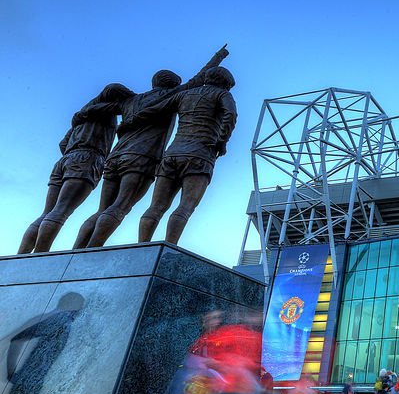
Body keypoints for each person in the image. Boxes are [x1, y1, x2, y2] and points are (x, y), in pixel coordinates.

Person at [74, 46, 229, 248]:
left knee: (103, 209)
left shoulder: (130, 101)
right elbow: (199, 80)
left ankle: (78, 250)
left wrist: (84, 115)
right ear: (173, 84)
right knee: (121, 206)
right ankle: (93, 249)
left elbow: (95, 109)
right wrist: (218, 57)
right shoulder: (173, 95)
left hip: (116, 156)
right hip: (142, 158)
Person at [19, 83, 134, 253]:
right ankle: (39, 256)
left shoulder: (82, 115)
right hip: (87, 158)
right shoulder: (105, 111)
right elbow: (125, 106)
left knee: (47, 212)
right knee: (61, 211)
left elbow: (63, 143)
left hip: (65, 160)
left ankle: (22, 255)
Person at [130, 66, 238, 244]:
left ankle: (142, 246)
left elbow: (153, 109)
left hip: (172, 154)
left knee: (156, 207)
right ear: (226, 83)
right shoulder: (222, 95)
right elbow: (231, 114)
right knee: (186, 207)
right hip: (200, 154)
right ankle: (169, 246)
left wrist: (131, 118)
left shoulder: (183, 95)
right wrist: (222, 141)